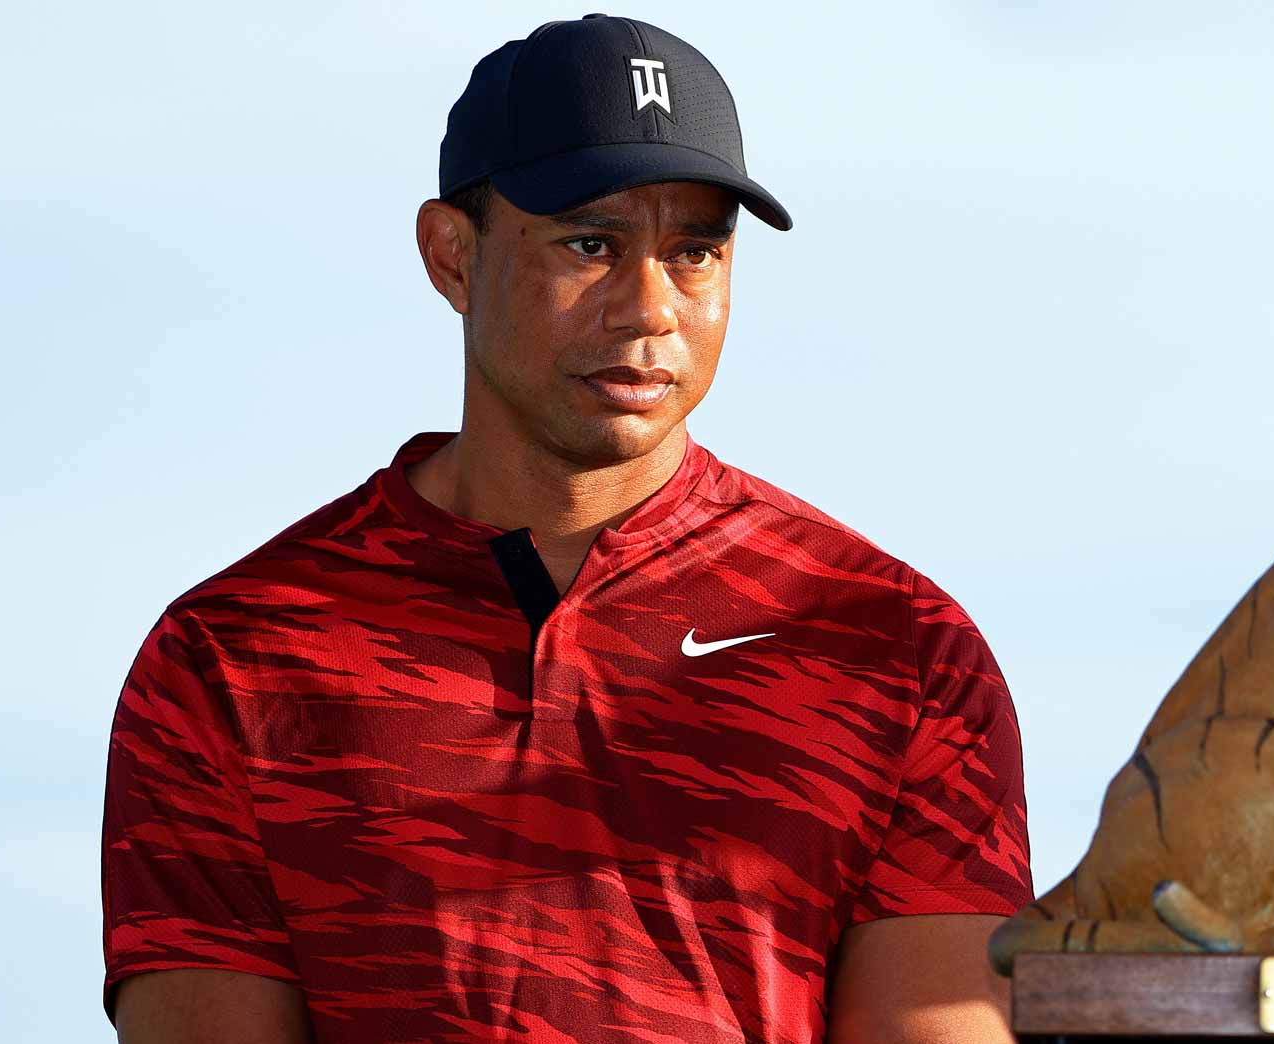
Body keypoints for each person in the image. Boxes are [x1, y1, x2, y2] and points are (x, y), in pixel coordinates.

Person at [100, 14, 1032, 1043]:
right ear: (452, 256)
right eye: (592, 244)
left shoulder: (895, 646)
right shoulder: (232, 654)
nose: (648, 309)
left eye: (694, 252)